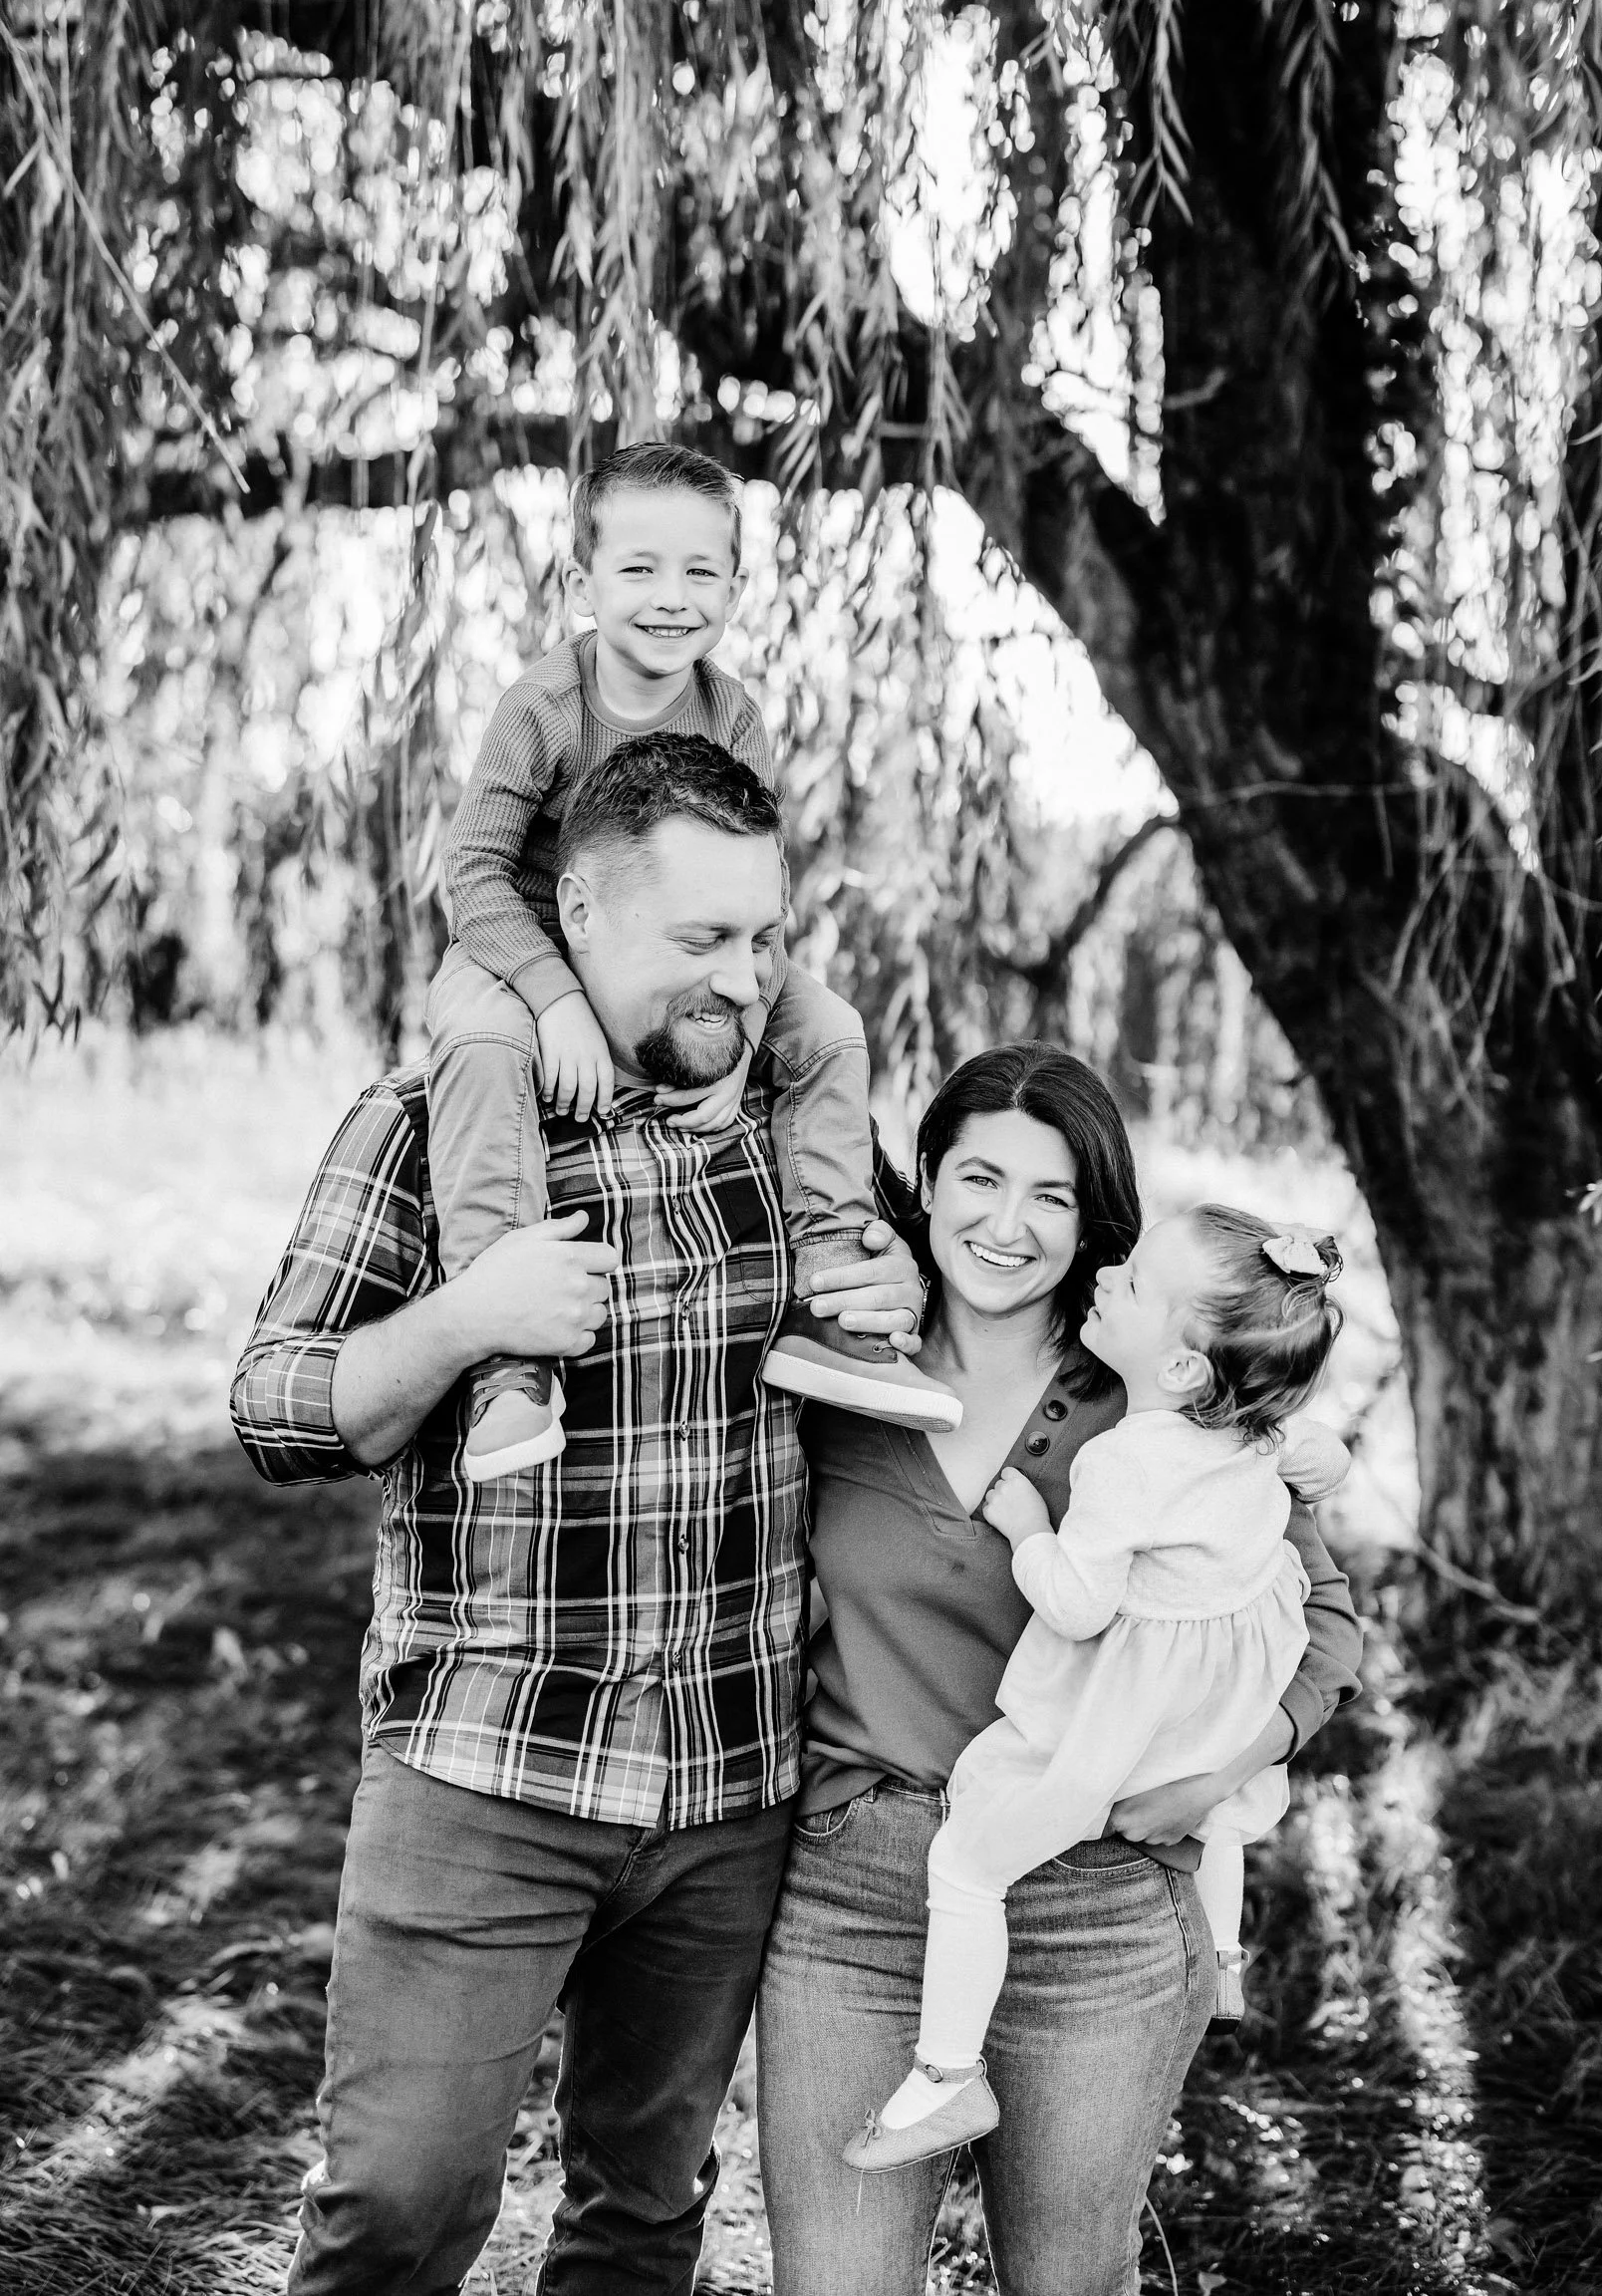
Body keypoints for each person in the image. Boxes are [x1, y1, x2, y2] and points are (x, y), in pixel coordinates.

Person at [229, 733, 927, 2296]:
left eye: (764, 938)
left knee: (642, 2216)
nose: (743, 980)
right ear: (580, 915)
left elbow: (923, 1344)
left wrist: (898, 1290)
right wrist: (464, 1319)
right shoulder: (431, 1119)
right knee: (396, 2210)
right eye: (701, 939)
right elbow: (272, 1405)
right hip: (486, 1765)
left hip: (732, 1784)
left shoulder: (799, 1131)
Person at [755, 1044, 1364, 2296]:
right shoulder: (834, 1367)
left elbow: (1325, 1627)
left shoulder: (1165, 1401)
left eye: (1051, 1196)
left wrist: (1220, 1777)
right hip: (854, 1897)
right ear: (926, 1180)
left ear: (1093, 1224)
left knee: (1066, 2278)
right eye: (979, 1178)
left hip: (1096, 1900)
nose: (1006, 1224)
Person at [427, 438, 957, 1476]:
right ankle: (507, 1360)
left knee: (831, 1033)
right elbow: (475, 872)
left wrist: (743, 1035)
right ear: (581, 585)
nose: (671, 597)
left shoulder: (730, 714)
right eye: (639, 568)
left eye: (700, 571)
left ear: (733, 588)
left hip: (689, 955)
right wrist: (553, 1000)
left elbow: (760, 892)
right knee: (482, 1049)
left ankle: (829, 1292)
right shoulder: (541, 708)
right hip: (520, 942)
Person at [849, 1207, 1348, 2170]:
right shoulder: (1254, 1434)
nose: (1108, 1276)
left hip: (1126, 1710)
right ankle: (1223, 1959)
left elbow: (1078, 1608)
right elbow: (1308, 1451)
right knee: (1220, 1806)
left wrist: (1028, 1529)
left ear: (1182, 1369)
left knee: (967, 1864)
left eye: (1132, 1282)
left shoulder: (1120, 1459)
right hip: (1225, 1694)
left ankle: (945, 2076)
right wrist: (1326, 1451)